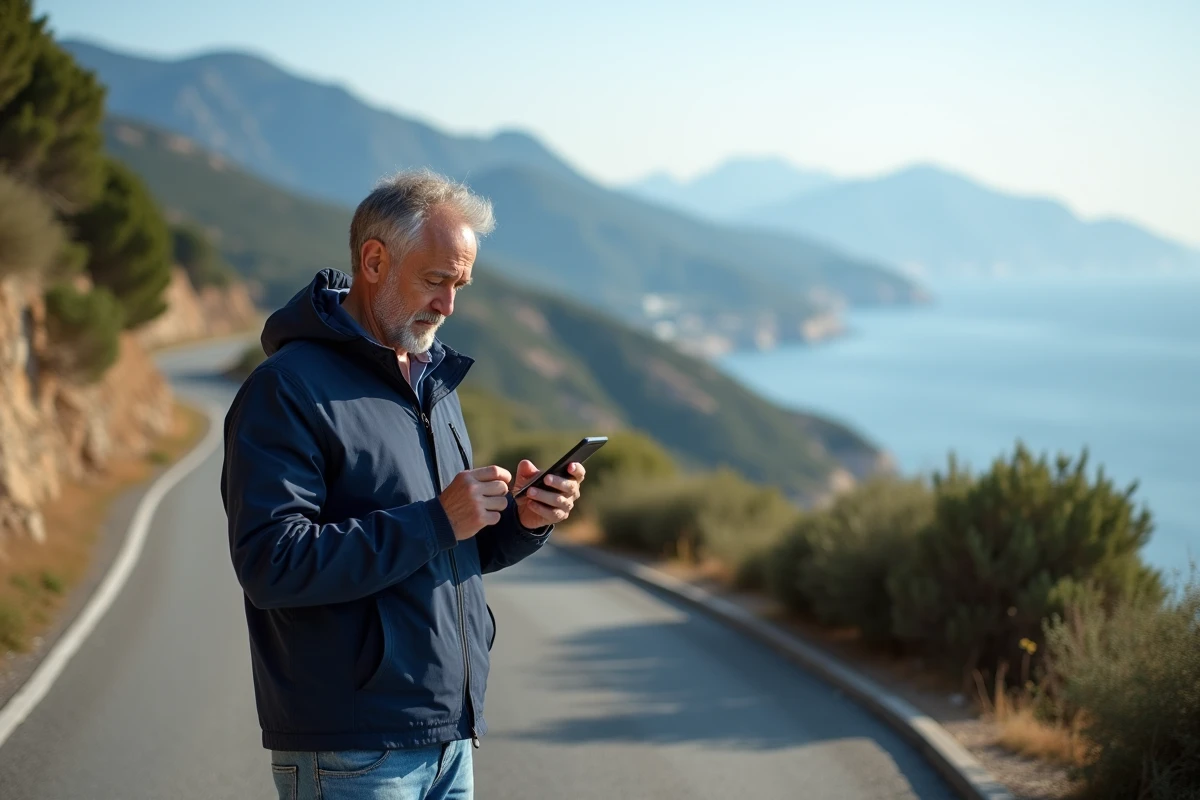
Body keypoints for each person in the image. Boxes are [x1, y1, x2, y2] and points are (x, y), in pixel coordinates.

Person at [220, 170, 585, 800]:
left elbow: (442, 546)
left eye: (459, 284)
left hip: (448, 741)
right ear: (373, 260)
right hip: (353, 754)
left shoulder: (431, 384)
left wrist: (521, 522)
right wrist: (439, 519)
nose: (448, 305)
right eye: (435, 279)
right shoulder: (286, 389)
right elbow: (271, 563)